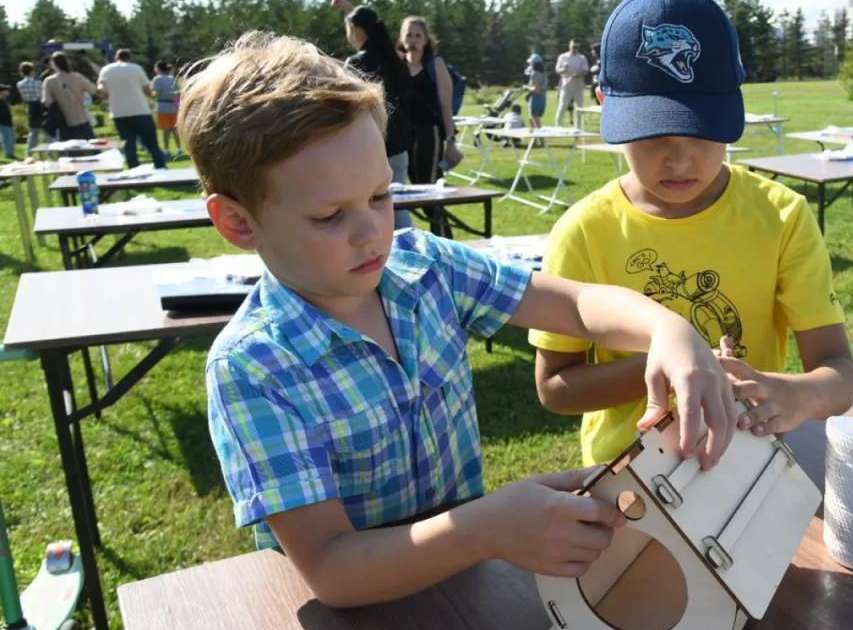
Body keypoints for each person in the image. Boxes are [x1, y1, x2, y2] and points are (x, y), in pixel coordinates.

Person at [180, 32, 737, 605]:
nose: (372, 231)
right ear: (238, 223)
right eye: (329, 216)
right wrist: (487, 526)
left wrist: (667, 328)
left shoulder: (425, 268)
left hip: (463, 588)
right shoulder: (254, 367)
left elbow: (574, 305)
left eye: (379, 196)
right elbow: (331, 570)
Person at [529, 0, 853, 467]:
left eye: (702, 132)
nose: (680, 161)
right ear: (605, 103)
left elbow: (839, 374)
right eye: (653, 135)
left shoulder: (781, 217)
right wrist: (676, 366)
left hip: (747, 470)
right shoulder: (584, 231)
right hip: (629, 482)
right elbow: (554, 387)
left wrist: (794, 395)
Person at [338, 2, 415, 229]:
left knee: (373, 208)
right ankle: (411, 250)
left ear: (356, 30)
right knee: (397, 205)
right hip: (399, 144)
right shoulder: (396, 61)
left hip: (367, 145)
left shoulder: (356, 63)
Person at [398, 16, 462, 236]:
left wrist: (451, 142)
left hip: (428, 135)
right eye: (409, 34)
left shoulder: (435, 64)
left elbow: (446, 106)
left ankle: (446, 245)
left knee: (429, 192)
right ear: (401, 37)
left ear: (426, 40)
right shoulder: (397, 65)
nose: (413, 40)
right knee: (411, 193)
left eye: (418, 35)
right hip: (403, 137)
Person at [98, 49, 167, 169]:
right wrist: (154, 95)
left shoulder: (106, 70)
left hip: (118, 113)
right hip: (140, 110)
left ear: (116, 58)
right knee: (151, 143)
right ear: (129, 58)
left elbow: (101, 91)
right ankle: (160, 166)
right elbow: (147, 90)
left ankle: (134, 169)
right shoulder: (136, 68)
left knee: (129, 145)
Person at [42, 52, 97, 141]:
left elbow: (47, 102)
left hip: (64, 123)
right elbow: (94, 90)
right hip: (82, 120)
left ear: (53, 64)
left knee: (69, 153)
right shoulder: (78, 77)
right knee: (91, 150)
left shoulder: (49, 81)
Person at [555, 40, 588, 128]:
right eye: (573, 47)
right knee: (562, 106)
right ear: (569, 46)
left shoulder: (582, 58)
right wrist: (564, 69)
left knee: (579, 108)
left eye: (576, 47)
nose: (575, 49)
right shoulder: (563, 57)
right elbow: (558, 70)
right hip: (566, 86)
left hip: (578, 86)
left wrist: (578, 74)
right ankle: (558, 127)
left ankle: (578, 128)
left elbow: (585, 70)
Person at [152, 60, 182, 160]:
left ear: (158, 69)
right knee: (175, 130)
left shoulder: (157, 79)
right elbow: (178, 91)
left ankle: (166, 150)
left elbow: (156, 93)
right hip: (173, 106)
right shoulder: (172, 78)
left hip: (162, 106)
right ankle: (179, 149)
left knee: (166, 130)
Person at [16, 63, 46, 156]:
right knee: (48, 132)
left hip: (30, 107)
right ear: (32, 71)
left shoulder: (19, 84)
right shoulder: (38, 83)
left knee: (33, 133)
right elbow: (42, 95)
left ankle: (29, 154)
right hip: (40, 106)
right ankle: (52, 153)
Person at [524, 54, 547, 129]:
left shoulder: (535, 74)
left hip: (536, 98)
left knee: (535, 119)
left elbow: (536, 89)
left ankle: (540, 138)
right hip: (543, 98)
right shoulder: (543, 73)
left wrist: (526, 87)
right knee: (531, 119)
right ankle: (534, 139)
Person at [0, 85, 13, 159]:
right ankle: (8, 154)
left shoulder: (4, 100)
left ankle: (9, 153)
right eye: (6, 90)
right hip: (3, 123)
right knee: (7, 139)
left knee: (10, 138)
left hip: (7, 122)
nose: (8, 92)